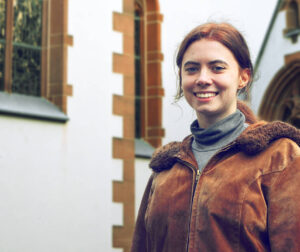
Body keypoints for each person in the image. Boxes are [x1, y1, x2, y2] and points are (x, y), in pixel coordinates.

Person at [131, 22, 300, 252]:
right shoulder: (166, 169)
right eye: (191, 69)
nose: (202, 78)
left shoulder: (280, 157)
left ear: (243, 77)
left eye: (217, 68)